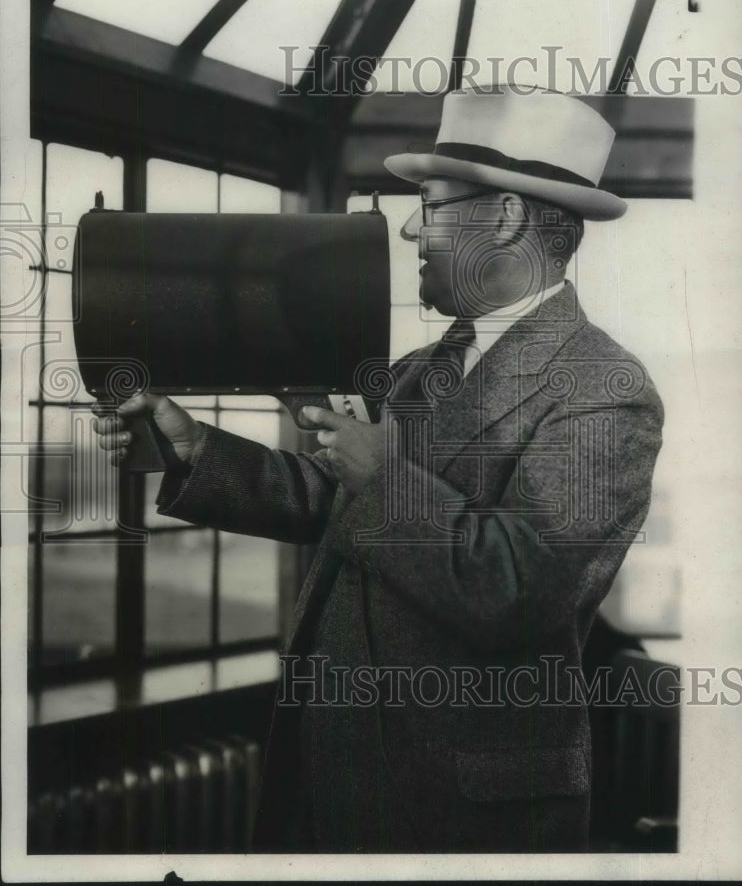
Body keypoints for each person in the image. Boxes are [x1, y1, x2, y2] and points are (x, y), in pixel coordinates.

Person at [93, 85, 664, 854]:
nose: (406, 227)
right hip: (332, 774)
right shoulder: (420, 368)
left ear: (505, 217)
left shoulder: (607, 391)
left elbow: (520, 593)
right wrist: (191, 446)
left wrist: (384, 480)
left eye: (429, 204)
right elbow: (337, 504)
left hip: (464, 813)